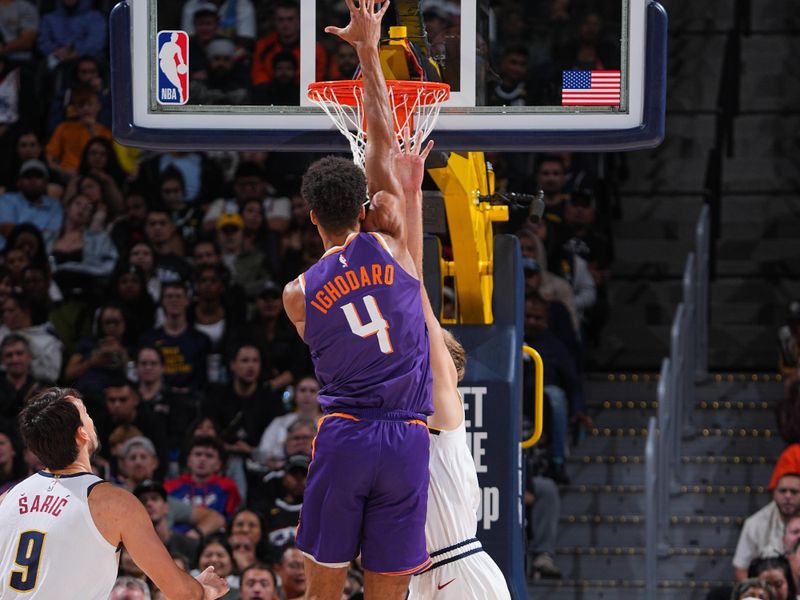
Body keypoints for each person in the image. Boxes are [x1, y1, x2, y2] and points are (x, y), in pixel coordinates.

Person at [282, 3, 433, 597]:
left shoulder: (297, 294)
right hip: (407, 437)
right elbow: (380, 135)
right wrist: (368, 49)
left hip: (347, 433)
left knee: (322, 593)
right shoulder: (393, 243)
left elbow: (327, 337)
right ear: (367, 205)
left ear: (312, 214)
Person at [393, 131, 510, 599]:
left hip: (461, 572)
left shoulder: (444, 408)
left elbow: (413, 285)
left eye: (427, 345)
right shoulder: (405, 416)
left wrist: (409, 194)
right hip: (425, 577)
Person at [0, 387, 229, 599]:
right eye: (86, 413)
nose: (92, 419)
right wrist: (204, 588)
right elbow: (182, 594)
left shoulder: (7, 498)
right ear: (82, 434)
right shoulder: (113, 503)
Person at [733, 474, 800, 580]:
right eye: (783, 491)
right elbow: (741, 570)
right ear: (774, 493)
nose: (788, 496)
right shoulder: (755, 523)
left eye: (794, 491)